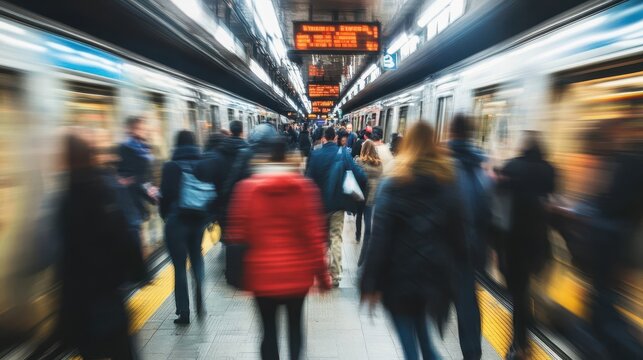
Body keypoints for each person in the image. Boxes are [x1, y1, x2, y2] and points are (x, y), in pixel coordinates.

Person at [360, 121, 465, 360]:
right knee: (425, 343)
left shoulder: (393, 183)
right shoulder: (449, 183)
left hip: (399, 278)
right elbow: (459, 235)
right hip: (434, 278)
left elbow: (380, 237)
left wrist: (369, 282)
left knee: (411, 348)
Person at [226, 135, 331, 360]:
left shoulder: (246, 189)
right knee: (295, 328)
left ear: (263, 157)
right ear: (290, 157)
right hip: (297, 276)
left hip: (261, 276)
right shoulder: (304, 188)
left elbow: (237, 233)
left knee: (268, 332)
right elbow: (314, 236)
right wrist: (323, 276)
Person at [57, 129, 141, 359]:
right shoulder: (107, 188)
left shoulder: (64, 199)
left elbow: (60, 255)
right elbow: (126, 236)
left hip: (80, 303)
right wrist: (138, 272)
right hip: (110, 295)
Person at [497, 132, 556, 360]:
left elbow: (500, 207)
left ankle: (519, 345)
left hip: (514, 241)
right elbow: (550, 198)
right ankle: (525, 334)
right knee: (526, 292)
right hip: (539, 240)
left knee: (519, 295)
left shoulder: (511, 166)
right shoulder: (549, 169)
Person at [448, 114, 493, 360]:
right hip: (472, 247)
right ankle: (472, 353)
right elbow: (487, 210)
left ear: (452, 132)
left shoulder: (443, 163)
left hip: (446, 247)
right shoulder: (481, 165)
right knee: (468, 304)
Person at [306, 126, 367, 287]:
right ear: (335, 138)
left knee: (321, 239)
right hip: (338, 205)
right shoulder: (343, 154)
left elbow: (308, 181)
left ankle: (318, 272)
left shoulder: (315, 155)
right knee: (336, 238)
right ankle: (336, 275)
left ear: (324, 138)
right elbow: (360, 175)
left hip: (319, 207)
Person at [159, 131, 208, 324]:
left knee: (179, 267)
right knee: (197, 259)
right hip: (197, 220)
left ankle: (183, 312)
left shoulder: (170, 166)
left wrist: (166, 216)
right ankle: (200, 302)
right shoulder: (203, 163)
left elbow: (165, 196)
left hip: (176, 221)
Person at [116, 116, 157, 282]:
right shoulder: (124, 149)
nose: (144, 130)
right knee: (137, 235)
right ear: (131, 129)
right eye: (141, 128)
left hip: (140, 195)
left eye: (144, 127)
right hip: (130, 198)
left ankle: (141, 271)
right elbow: (128, 176)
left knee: (140, 234)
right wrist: (148, 190)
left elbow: (144, 175)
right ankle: (140, 273)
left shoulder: (144, 148)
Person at [355, 140, 383, 266]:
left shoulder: (359, 162)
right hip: (372, 197)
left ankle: (357, 234)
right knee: (368, 222)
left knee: (359, 215)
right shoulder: (379, 164)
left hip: (360, 195)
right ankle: (366, 241)